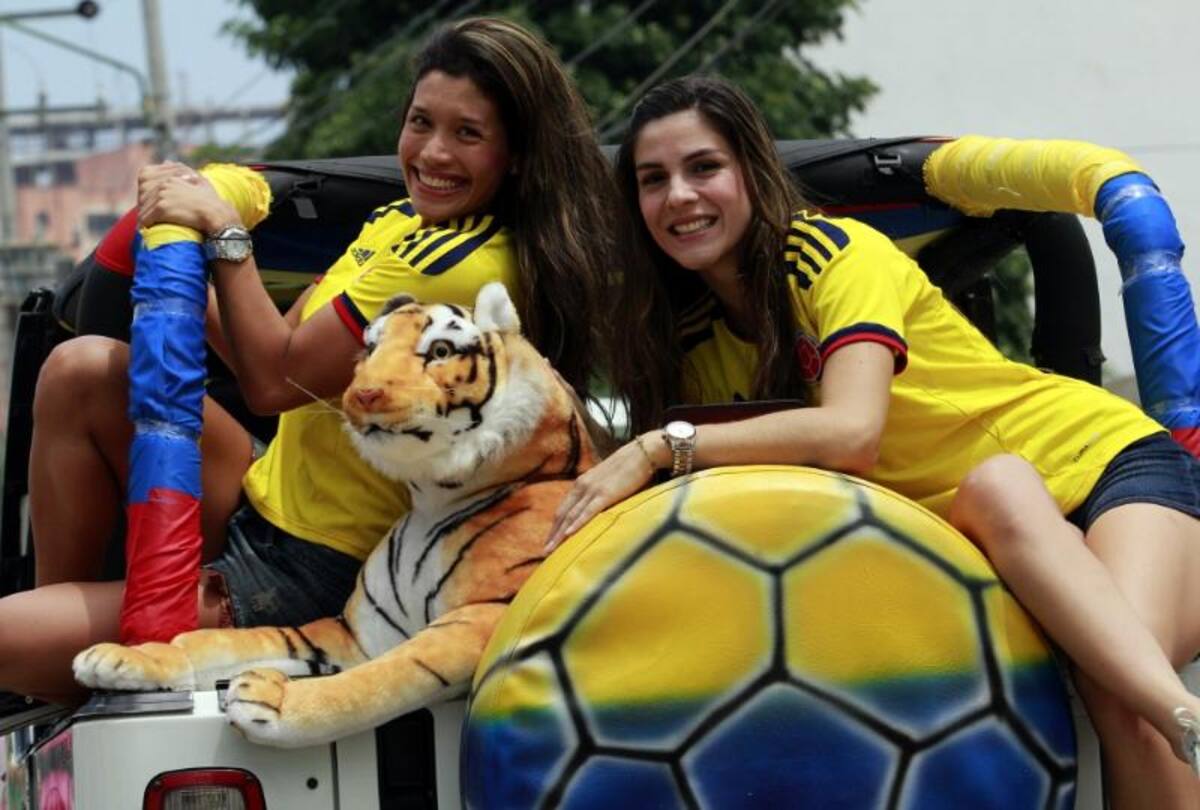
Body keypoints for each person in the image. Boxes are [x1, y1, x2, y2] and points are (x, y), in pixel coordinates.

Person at [546, 75, 1200, 809]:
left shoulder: (834, 252)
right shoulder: (688, 341)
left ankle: (1187, 719)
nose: (679, 196)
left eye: (704, 167)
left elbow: (851, 434)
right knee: (998, 493)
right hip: (982, 529)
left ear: (751, 171)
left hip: (1108, 467)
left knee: (1123, 688)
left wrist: (658, 446)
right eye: (652, 179)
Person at [0, 16, 618, 705]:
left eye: (467, 134)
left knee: (4, 637)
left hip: (320, 572)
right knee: (83, 371)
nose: (433, 153)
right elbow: (268, 344)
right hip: (264, 497)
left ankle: (57, 659)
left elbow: (272, 381)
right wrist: (178, 234)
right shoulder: (399, 223)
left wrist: (223, 228)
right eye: (421, 122)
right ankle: (66, 668)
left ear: (518, 156)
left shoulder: (457, 265)